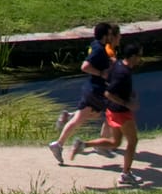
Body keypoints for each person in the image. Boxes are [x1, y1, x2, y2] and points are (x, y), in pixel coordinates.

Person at [48, 22, 118, 163]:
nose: (112, 36)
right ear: (105, 36)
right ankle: (101, 147)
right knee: (112, 114)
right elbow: (85, 66)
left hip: (90, 89)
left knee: (79, 119)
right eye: (110, 34)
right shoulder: (99, 49)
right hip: (97, 91)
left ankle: (58, 144)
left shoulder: (96, 46)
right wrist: (101, 73)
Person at [73, 43, 143, 183]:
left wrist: (130, 94)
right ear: (133, 57)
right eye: (139, 56)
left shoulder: (118, 65)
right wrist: (127, 103)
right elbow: (108, 93)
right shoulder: (123, 73)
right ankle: (126, 174)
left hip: (112, 110)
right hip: (121, 112)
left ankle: (83, 145)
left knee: (115, 142)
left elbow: (110, 82)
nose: (141, 59)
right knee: (133, 141)